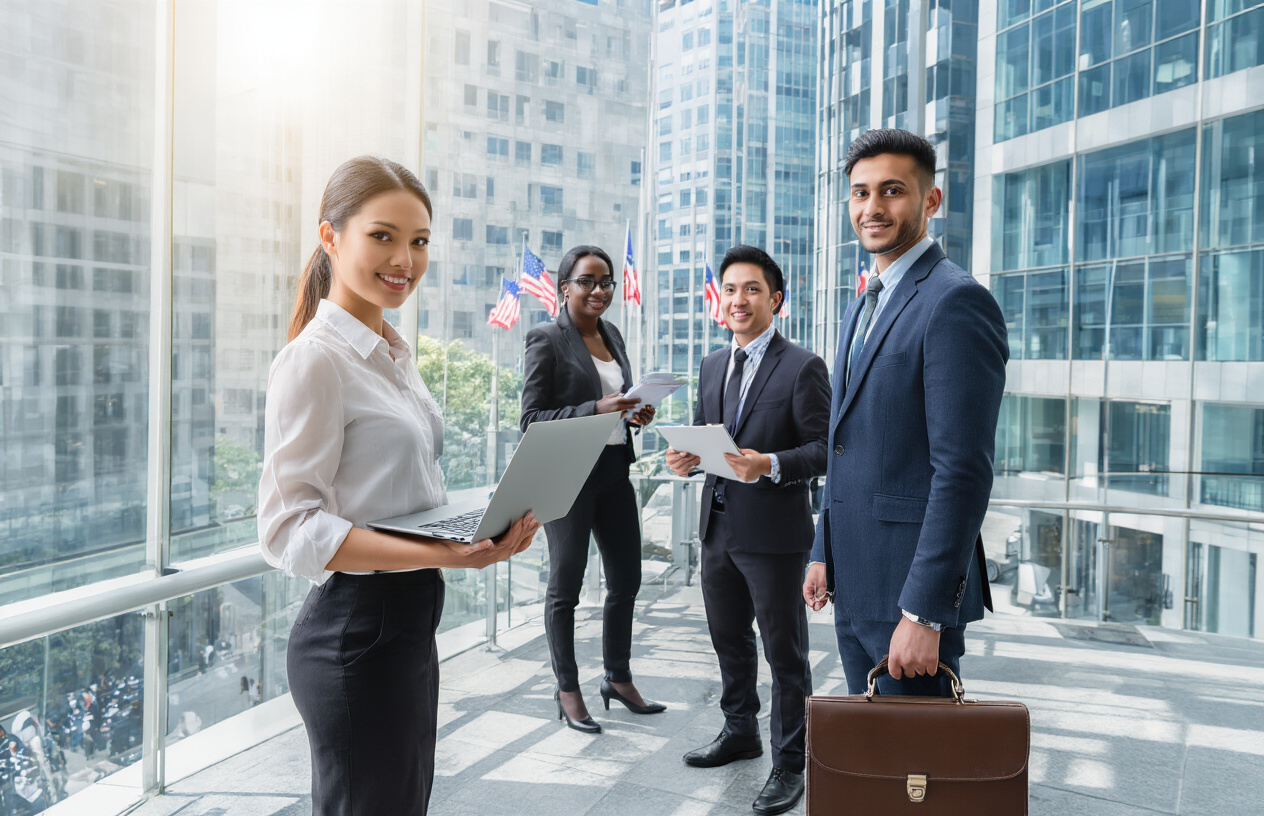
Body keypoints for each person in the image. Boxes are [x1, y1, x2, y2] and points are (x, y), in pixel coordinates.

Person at [258, 156, 539, 815]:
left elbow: (399, 492)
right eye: (382, 236)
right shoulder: (315, 362)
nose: (404, 260)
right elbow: (286, 531)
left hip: (407, 626)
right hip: (356, 635)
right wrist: (447, 552)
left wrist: (475, 523)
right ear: (331, 238)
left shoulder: (393, 354)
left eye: (418, 242)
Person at [803, 129, 1008, 699]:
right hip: (856, 584)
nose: (872, 208)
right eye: (860, 193)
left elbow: (962, 472)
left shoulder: (955, 301)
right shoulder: (865, 302)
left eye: (892, 191)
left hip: (908, 599)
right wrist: (824, 550)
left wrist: (924, 612)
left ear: (930, 201)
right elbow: (845, 443)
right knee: (873, 770)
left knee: (916, 777)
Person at [666, 246, 830, 815]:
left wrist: (771, 464)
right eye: (730, 289)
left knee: (786, 655)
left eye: (752, 289)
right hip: (717, 528)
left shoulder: (803, 366)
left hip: (776, 536)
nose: (739, 299)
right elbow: (714, 439)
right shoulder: (712, 364)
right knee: (728, 639)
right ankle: (741, 731)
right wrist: (687, 458)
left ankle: (790, 763)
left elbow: (825, 450)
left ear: (775, 299)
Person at [520, 244, 664, 733]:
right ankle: (567, 688)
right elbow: (531, 420)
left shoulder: (613, 335)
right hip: (565, 475)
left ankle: (618, 678)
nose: (599, 290)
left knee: (626, 580)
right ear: (565, 287)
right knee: (567, 588)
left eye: (606, 282)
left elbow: (616, 403)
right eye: (587, 281)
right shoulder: (545, 338)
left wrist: (634, 412)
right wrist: (595, 410)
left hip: (612, 469)